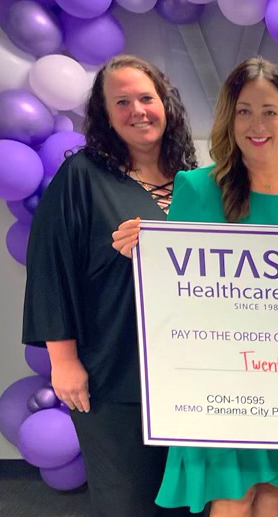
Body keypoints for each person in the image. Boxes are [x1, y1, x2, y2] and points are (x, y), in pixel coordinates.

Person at [111, 57, 278, 516]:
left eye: (269, 110)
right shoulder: (196, 188)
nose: (257, 124)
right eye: (244, 110)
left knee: (274, 490)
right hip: (219, 378)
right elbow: (176, 288)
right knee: (233, 494)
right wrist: (145, 249)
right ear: (229, 118)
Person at [22, 55, 197, 517]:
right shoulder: (80, 176)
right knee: (127, 500)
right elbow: (50, 269)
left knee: (184, 499)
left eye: (146, 98)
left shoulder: (193, 182)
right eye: (122, 102)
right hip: (110, 371)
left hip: (186, 372)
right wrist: (64, 362)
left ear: (166, 105)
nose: (138, 110)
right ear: (104, 114)